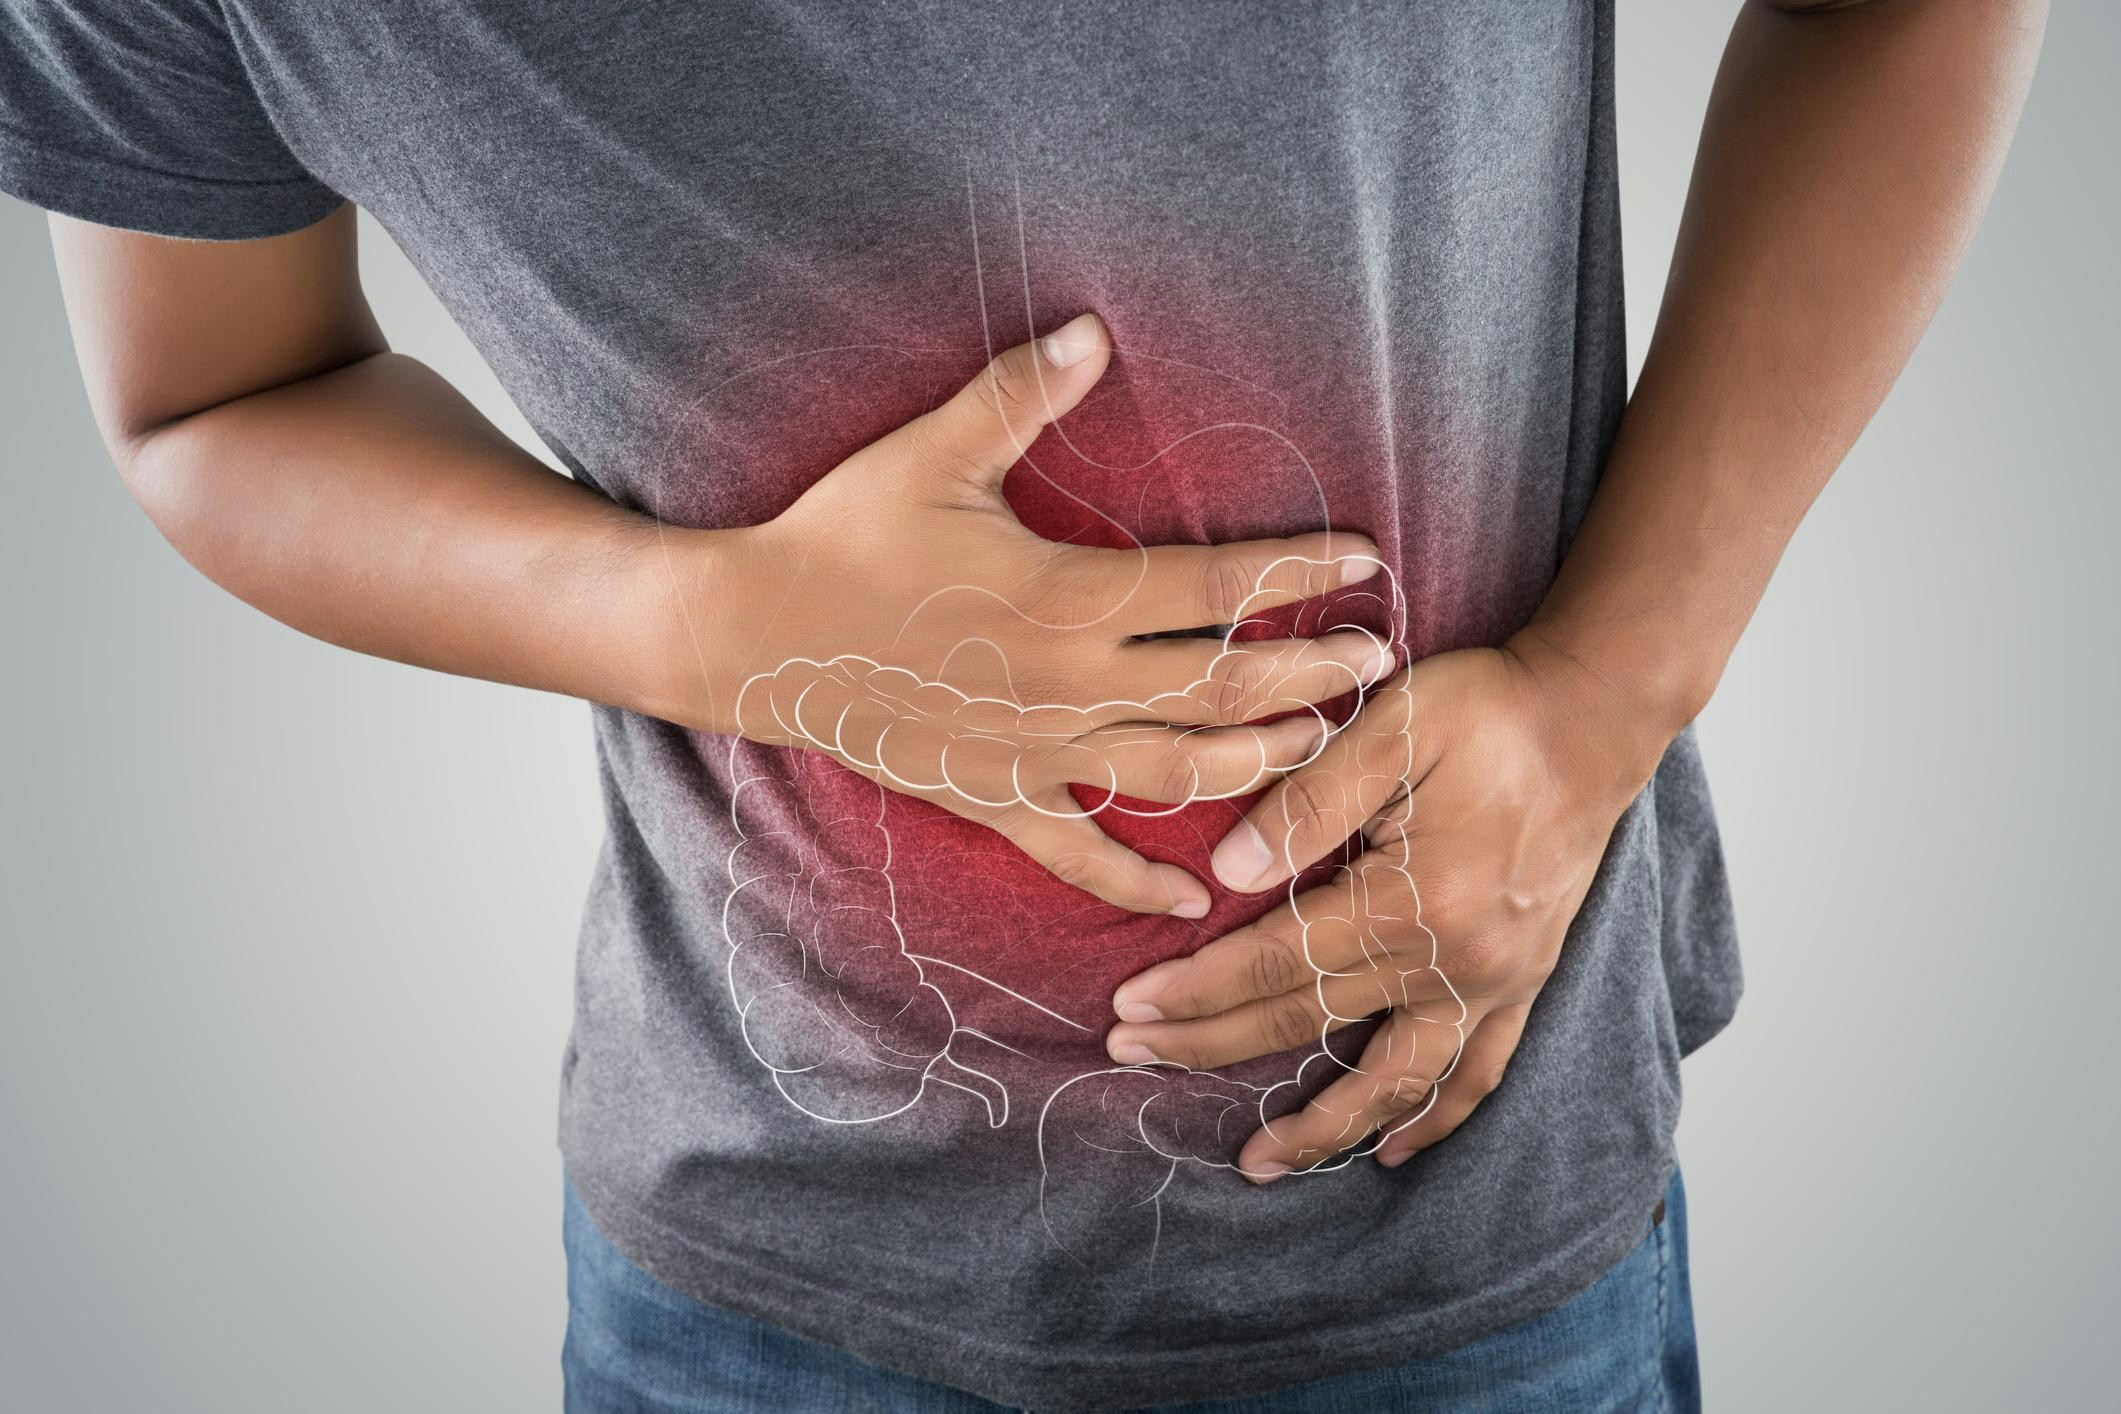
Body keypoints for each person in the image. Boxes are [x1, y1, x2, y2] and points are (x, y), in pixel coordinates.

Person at [0, 1, 2041, 1409]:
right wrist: (717, 626)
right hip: (755, 1274)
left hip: (1459, 1241)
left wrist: (1607, 687)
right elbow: (211, 396)